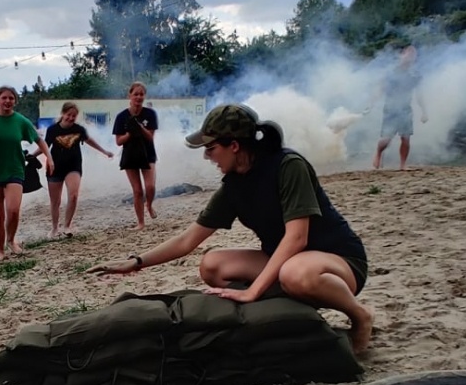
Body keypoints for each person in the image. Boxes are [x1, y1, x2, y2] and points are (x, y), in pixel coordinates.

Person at [93, 103, 374, 353]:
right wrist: (135, 262)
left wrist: (252, 293)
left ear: (235, 146)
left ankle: (360, 316)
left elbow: (297, 238)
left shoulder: (288, 166)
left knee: (295, 273)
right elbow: (188, 240)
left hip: (338, 263)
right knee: (212, 265)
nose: (207, 157)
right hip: (288, 261)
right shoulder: (234, 185)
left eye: (211, 148)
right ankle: (289, 309)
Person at [0, 86, 50, 258]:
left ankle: (11, 240)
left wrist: (49, 158)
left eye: (11, 98)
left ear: (15, 101)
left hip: (15, 170)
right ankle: (0, 250)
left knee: (13, 210)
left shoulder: (21, 121)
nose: (7, 101)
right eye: (4, 98)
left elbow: (39, 140)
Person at [44, 102, 113, 238]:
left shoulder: (79, 129)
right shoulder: (52, 130)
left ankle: (67, 225)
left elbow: (90, 141)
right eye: (68, 115)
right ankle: (54, 228)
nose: (71, 118)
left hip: (73, 166)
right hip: (55, 167)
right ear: (63, 114)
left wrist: (105, 152)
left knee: (73, 195)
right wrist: (31, 156)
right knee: (55, 200)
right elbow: (44, 146)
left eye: (74, 116)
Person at [372, 43, 427, 170]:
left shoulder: (415, 75)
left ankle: (402, 165)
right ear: (401, 55)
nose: (410, 57)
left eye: (413, 55)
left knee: (406, 138)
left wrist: (424, 112)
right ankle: (378, 154)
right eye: (408, 53)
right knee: (386, 139)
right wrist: (373, 103)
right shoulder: (391, 72)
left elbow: (419, 94)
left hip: (405, 109)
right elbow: (381, 88)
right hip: (391, 109)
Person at [112, 81, 159, 229]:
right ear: (130, 96)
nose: (138, 97)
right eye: (136, 94)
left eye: (141, 94)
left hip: (147, 153)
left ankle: (149, 205)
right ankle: (140, 223)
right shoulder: (121, 117)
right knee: (137, 191)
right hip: (130, 154)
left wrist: (139, 128)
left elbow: (151, 137)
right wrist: (130, 134)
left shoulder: (150, 114)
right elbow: (119, 141)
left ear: (144, 96)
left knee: (150, 186)